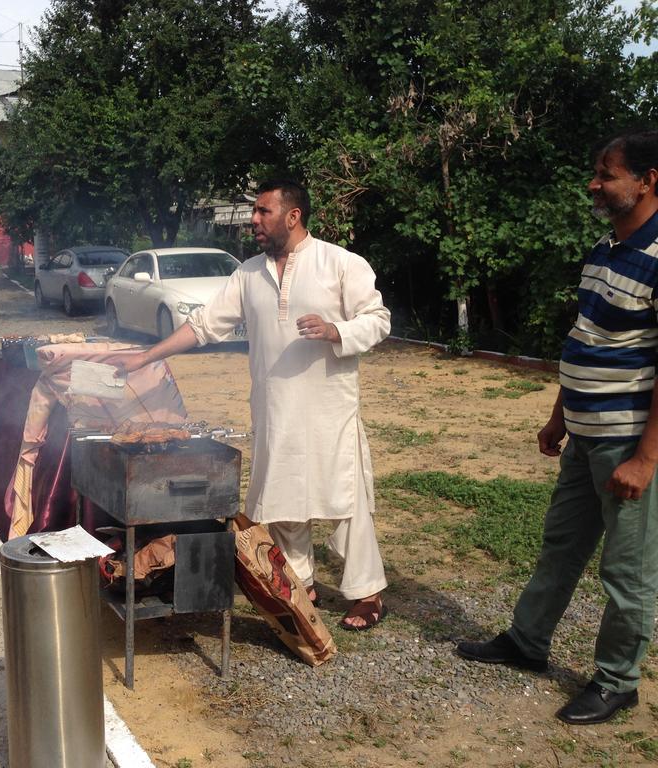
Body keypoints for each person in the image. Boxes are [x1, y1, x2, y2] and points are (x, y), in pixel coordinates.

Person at [116, 179, 391, 630]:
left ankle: (367, 593)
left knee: (345, 499)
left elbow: (378, 319)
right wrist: (146, 356)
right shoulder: (248, 274)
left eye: (263, 212)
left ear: (293, 215)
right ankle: (301, 583)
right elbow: (204, 326)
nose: (254, 220)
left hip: (329, 408)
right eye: (254, 212)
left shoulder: (339, 263)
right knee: (282, 498)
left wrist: (337, 331)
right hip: (274, 407)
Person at [457, 129, 658, 725]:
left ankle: (618, 681)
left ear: (648, 181)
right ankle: (527, 642)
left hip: (628, 440)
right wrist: (557, 415)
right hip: (585, 431)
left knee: (626, 568)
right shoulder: (605, 247)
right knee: (561, 545)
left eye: (608, 173)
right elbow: (585, 337)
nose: (594, 184)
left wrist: (646, 459)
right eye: (596, 172)